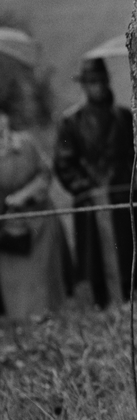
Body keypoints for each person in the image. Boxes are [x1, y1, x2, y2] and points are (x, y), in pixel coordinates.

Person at [54, 57, 137, 307]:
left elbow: (134, 156)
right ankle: (102, 300)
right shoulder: (70, 121)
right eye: (92, 82)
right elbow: (63, 163)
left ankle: (127, 297)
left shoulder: (123, 116)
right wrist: (84, 186)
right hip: (91, 198)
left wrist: (131, 184)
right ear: (84, 85)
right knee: (95, 256)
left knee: (126, 249)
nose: (97, 87)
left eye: (101, 81)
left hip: (121, 194)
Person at [0, 100, 67, 322]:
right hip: (8, 225)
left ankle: (47, 318)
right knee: (15, 275)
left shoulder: (26, 143)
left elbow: (45, 173)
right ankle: (21, 321)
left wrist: (25, 194)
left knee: (43, 272)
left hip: (39, 218)